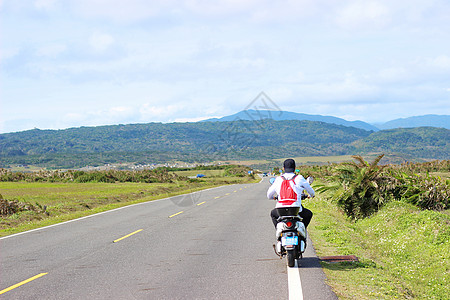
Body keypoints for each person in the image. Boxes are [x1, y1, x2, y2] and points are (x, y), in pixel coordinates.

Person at [267, 158, 315, 229]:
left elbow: (269, 195)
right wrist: (311, 195)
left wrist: (273, 197)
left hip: (281, 209)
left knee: (273, 214)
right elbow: (311, 191)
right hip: (296, 209)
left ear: (283, 168)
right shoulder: (299, 178)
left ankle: (279, 231)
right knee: (308, 214)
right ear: (295, 168)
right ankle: (302, 230)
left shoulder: (278, 179)